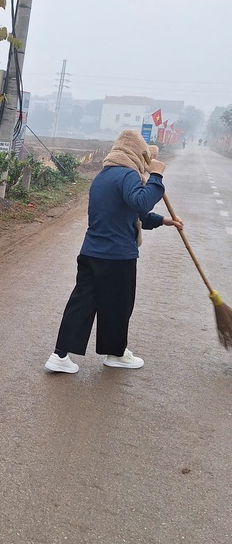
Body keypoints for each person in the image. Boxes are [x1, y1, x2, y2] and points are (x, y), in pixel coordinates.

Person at [45, 129, 183, 374]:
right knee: (118, 306)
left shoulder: (103, 177)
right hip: (117, 256)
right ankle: (116, 353)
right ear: (135, 153)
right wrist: (157, 178)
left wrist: (163, 221)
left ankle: (60, 355)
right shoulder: (128, 175)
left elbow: (132, 214)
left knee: (81, 304)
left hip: (91, 253)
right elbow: (140, 202)